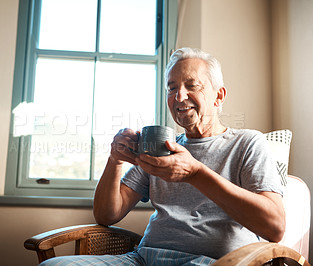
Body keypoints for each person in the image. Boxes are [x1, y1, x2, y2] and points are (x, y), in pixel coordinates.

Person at [40, 48, 285, 266]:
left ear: (218, 96)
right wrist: (115, 160)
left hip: (214, 262)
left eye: (192, 85)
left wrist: (196, 174)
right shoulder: (161, 148)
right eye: (172, 87)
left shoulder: (247, 143)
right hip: (143, 258)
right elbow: (106, 215)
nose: (179, 97)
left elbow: (274, 227)